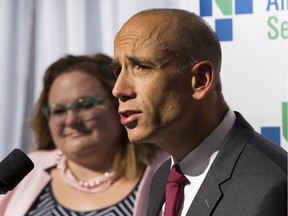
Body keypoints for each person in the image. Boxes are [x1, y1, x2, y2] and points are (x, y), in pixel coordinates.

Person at [111, 8, 287, 216]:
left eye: (142, 67)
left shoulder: (273, 186)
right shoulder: (163, 176)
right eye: (118, 70)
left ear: (200, 81)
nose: (118, 89)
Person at [0, 53, 168, 215]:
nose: (71, 120)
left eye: (86, 105)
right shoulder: (27, 170)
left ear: (118, 104)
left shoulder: (166, 170)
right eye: (58, 111)